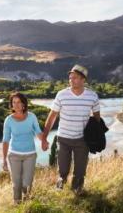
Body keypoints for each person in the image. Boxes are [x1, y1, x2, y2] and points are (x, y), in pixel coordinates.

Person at [41, 64, 101, 195]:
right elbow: (51, 117)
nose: (71, 80)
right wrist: (44, 137)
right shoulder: (61, 95)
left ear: (83, 79)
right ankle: (60, 189)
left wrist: (96, 137)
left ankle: (77, 193)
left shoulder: (92, 96)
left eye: (74, 78)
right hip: (63, 138)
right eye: (70, 78)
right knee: (63, 169)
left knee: (80, 171)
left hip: (82, 140)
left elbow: (97, 118)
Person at [2, 92, 44, 204]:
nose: (16, 105)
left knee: (27, 183)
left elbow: (38, 132)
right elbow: (5, 140)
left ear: (24, 104)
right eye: (13, 102)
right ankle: (17, 205)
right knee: (16, 184)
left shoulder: (32, 117)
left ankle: (27, 205)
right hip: (14, 155)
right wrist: (4, 160)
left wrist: (43, 141)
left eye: (19, 102)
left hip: (30, 154)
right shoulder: (8, 120)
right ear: (11, 105)